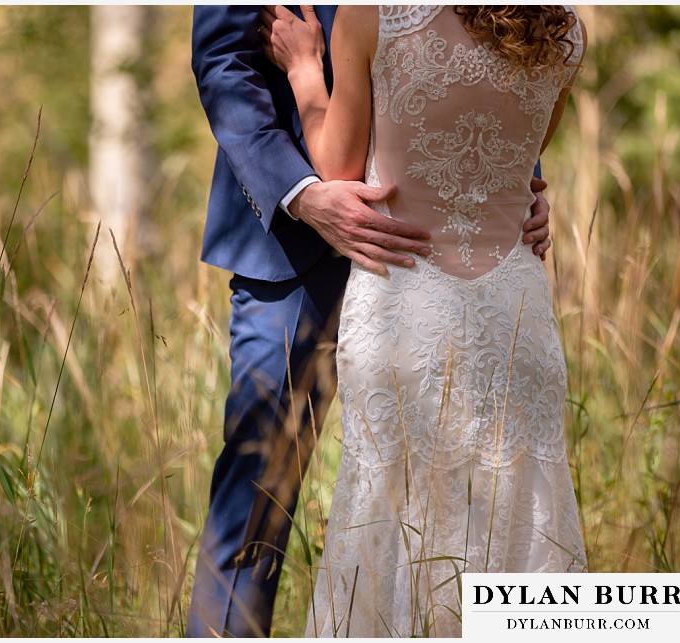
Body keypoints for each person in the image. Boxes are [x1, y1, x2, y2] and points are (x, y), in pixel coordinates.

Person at [188, 6, 554, 637]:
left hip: (431, 262)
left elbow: (480, 38)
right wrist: (301, 193)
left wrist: (509, 178)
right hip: (293, 253)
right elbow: (224, 61)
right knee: (260, 484)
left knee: (470, 493)